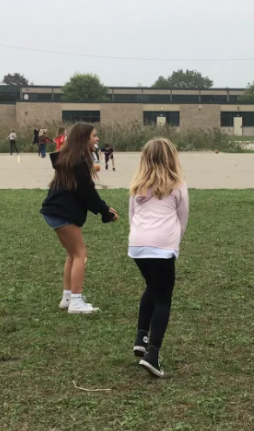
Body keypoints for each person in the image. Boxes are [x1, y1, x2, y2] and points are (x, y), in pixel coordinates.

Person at [40, 122, 119, 314]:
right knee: (80, 254)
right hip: (61, 213)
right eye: (94, 136)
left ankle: (68, 297)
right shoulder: (78, 163)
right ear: (84, 139)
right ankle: (76, 302)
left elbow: (84, 191)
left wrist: (104, 210)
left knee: (73, 254)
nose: (97, 139)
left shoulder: (70, 159)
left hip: (54, 211)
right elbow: (88, 193)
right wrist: (105, 211)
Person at [128, 138, 190, 377]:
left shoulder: (137, 185)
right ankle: (153, 354)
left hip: (138, 245)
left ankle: (141, 336)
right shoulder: (177, 185)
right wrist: (175, 243)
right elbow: (182, 218)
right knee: (164, 297)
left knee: (151, 288)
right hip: (163, 246)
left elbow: (133, 215)